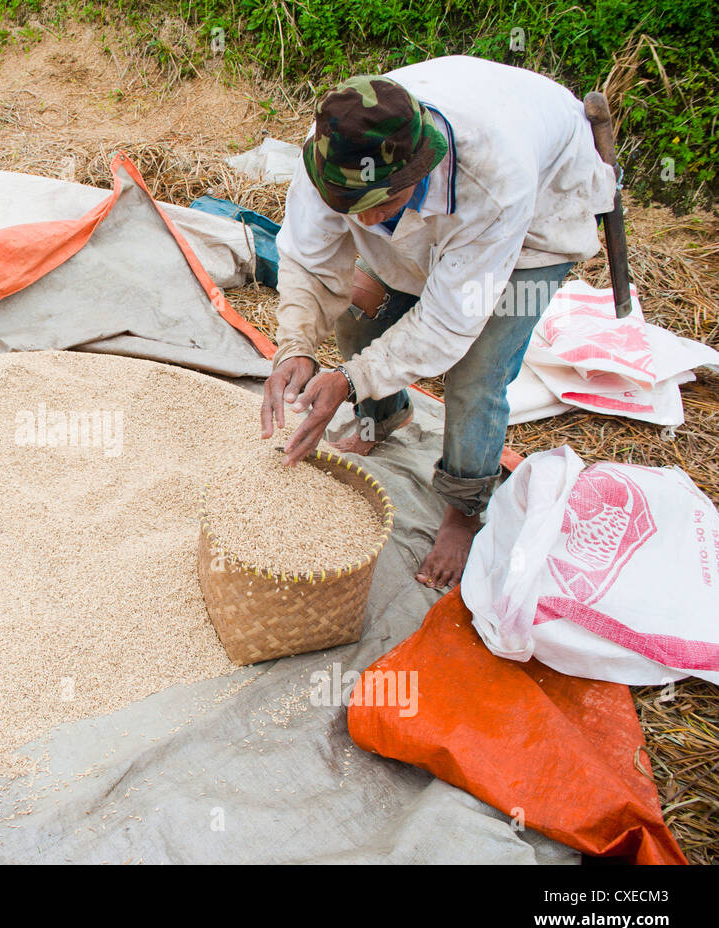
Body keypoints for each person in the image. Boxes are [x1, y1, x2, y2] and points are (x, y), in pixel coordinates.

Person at [259, 56, 616, 589]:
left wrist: (350, 379)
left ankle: (465, 511)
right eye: (352, 207)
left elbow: (451, 323)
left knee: (476, 372)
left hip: (542, 210)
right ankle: (381, 418)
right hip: (457, 197)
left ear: (420, 167)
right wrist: (295, 348)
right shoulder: (334, 150)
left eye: (384, 204)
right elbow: (310, 261)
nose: (367, 221)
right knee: (363, 317)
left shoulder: (496, 178)